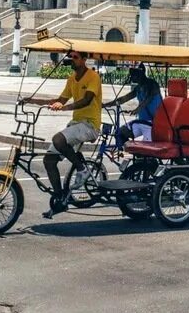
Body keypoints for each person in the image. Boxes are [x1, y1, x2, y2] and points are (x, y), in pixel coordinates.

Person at [36, 49, 102, 217]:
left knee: (58, 139)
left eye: (75, 57)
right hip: (76, 124)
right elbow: (60, 100)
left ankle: (82, 169)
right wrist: (32, 100)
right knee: (49, 160)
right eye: (70, 57)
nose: (72, 60)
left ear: (84, 59)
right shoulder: (72, 79)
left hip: (90, 125)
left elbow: (87, 100)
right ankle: (60, 200)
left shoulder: (93, 77)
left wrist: (65, 108)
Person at [112, 65, 161, 143]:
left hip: (151, 124)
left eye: (133, 75)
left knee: (146, 148)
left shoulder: (152, 84)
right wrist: (106, 105)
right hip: (141, 121)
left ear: (139, 74)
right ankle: (125, 149)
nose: (131, 77)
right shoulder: (138, 88)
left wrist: (137, 109)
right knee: (119, 133)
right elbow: (124, 98)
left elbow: (148, 99)